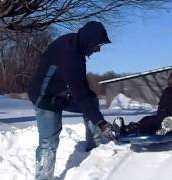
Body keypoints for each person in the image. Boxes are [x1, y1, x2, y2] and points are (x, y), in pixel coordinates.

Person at [27, 21, 118, 180]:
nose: (98, 49)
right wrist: (101, 122)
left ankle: (95, 148)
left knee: (91, 101)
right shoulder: (71, 54)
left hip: (61, 94)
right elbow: (80, 92)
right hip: (45, 97)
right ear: (89, 40)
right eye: (98, 45)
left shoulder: (74, 44)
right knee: (49, 141)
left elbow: (81, 88)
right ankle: (43, 177)